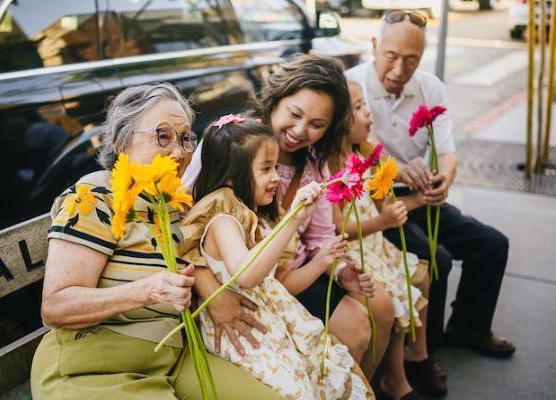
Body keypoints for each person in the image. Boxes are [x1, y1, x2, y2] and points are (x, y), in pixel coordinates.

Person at [30, 84, 285, 400]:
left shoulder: (176, 204)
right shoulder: (95, 197)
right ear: (123, 139)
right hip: (98, 366)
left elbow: (198, 260)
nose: (179, 153)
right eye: (163, 136)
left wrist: (212, 295)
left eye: (185, 139)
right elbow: (55, 307)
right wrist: (146, 290)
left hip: (172, 359)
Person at [183, 54, 395, 373]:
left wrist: (338, 271)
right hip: (240, 279)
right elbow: (182, 224)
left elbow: (320, 236)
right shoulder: (230, 143)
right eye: (294, 114)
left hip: (291, 272)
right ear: (275, 100)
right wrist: (213, 295)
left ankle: (381, 383)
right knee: (356, 327)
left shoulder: (314, 163)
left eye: (316, 125)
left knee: (382, 305)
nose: (299, 130)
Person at [345, 8, 515, 395]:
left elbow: (448, 150)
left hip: (424, 196)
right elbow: (354, 148)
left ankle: (469, 325)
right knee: (433, 259)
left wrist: (444, 180)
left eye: (412, 59)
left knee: (492, 244)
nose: (400, 67)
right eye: (391, 56)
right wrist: (400, 170)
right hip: (378, 201)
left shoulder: (431, 86)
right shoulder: (350, 85)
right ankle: (420, 353)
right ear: (374, 46)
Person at [179, 115, 374, 399]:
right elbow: (245, 275)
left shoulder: (249, 218)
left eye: (276, 167)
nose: (275, 178)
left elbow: (275, 284)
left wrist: (321, 261)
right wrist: (292, 221)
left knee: (321, 372)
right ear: (232, 176)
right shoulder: (222, 220)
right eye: (266, 169)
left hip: (272, 324)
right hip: (244, 334)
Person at [330, 81, 432, 400]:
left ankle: (417, 353)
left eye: (365, 105)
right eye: (358, 109)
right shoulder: (334, 167)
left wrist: (397, 203)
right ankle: (395, 380)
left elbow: (381, 201)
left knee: (423, 274)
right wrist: (384, 220)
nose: (367, 114)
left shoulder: (368, 152)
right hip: (357, 250)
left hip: (376, 245)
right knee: (397, 294)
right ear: (340, 123)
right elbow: (340, 230)